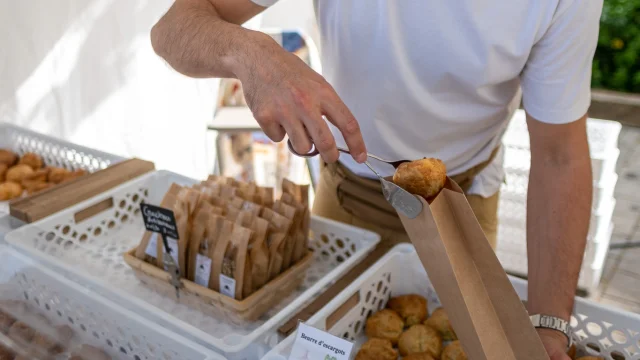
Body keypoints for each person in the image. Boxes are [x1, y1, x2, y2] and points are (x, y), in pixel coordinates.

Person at [150, 1, 602, 358]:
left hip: (461, 206)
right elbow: (172, 29)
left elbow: (559, 155)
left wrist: (549, 325)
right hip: (347, 197)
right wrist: (253, 54)